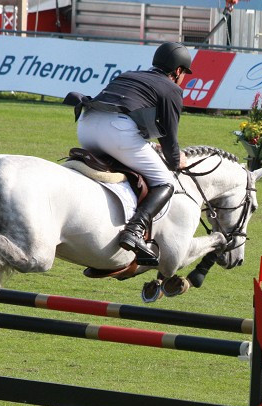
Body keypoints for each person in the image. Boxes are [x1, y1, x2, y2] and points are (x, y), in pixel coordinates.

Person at [74, 42, 191, 265]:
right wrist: (176, 161)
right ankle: (134, 230)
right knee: (166, 182)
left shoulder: (130, 74)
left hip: (85, 125)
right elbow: (169, 136)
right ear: (177, 71)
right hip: (116, 131)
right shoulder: (172, 89)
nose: (183, 77)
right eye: (184, 72)